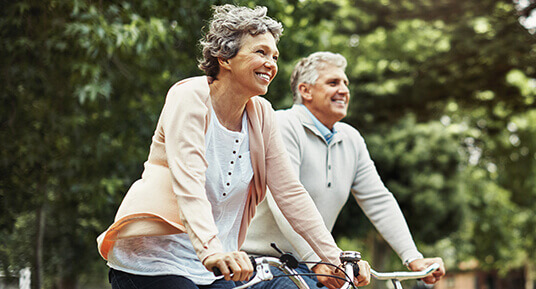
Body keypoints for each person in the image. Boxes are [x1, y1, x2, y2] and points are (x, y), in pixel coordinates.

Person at [96, 6, 370, 289]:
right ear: (224, 58)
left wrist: (335, 256)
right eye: (260, 52)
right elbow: (189, 182)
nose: (271, 63)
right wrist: (211, 250)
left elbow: (290, 193)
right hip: (153, 261)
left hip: (213, 266)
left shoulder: (261, 114)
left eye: (274, 56)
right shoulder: (189, 97)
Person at [242, 52, 446, 289]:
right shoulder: (283, 125)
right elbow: (283, 199)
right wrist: (318, 260)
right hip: (260, 264)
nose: (344, 90)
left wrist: (413, 257)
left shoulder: (351, 139)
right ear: (305, 91)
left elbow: (378, 200)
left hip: (311, 264)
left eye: (346, 84)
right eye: (333, 83)